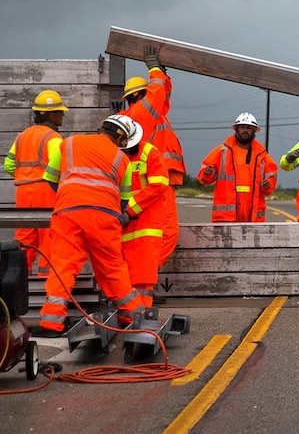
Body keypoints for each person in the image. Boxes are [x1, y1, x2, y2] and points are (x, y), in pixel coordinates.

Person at [31, 114, 146, 337]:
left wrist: (72, 198)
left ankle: (52, 323)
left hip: (68, 213)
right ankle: (133, 315)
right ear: (121, 139)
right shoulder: (123, 161)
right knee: (112, 267)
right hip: (105, 216)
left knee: (63, 266)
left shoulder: (69, 143)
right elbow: (123, 203)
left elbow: (51, 179)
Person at [119, 46, 186, 279]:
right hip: (154, 182)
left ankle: (142, 275)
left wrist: (164, 76)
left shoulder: (147, 114)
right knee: (167, 233)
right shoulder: (139, 113)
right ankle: (145, 273)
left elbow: (162, 98)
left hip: (155, 180)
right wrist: (155, 71)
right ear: (139, 95)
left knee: (152, 235)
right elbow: (157, 94)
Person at [4, 90, 67, 277]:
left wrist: (25, 175)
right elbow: (58, 168)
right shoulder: (53, 138)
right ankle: (47, 282)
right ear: (49, 114)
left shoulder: (22, 136)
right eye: (59, 111)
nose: (62, 115)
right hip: (45, 190)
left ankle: (18, 283)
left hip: (23, 191)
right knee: (49, 236)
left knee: (25, 238)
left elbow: (9, 165)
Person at [120, 119, 170, 308]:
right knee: (121, 271)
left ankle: (143, 312)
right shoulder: (117, 153)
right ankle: (126, 312)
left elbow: (159, 185)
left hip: (145, 223)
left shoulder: (149, 153)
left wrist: (130, 208)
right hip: (122, 221)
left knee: (143, 273)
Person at [198, 112, 278, 222]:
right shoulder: (222, 151)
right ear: (236, 129)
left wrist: (267, 184)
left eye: (249, 128)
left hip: (253, 217)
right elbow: (204, 179)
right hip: (226, 217)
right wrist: (207, 173)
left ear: (254, 131)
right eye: (242, 127)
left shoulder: (262, 156)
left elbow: (271, 179)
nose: (245, 130)